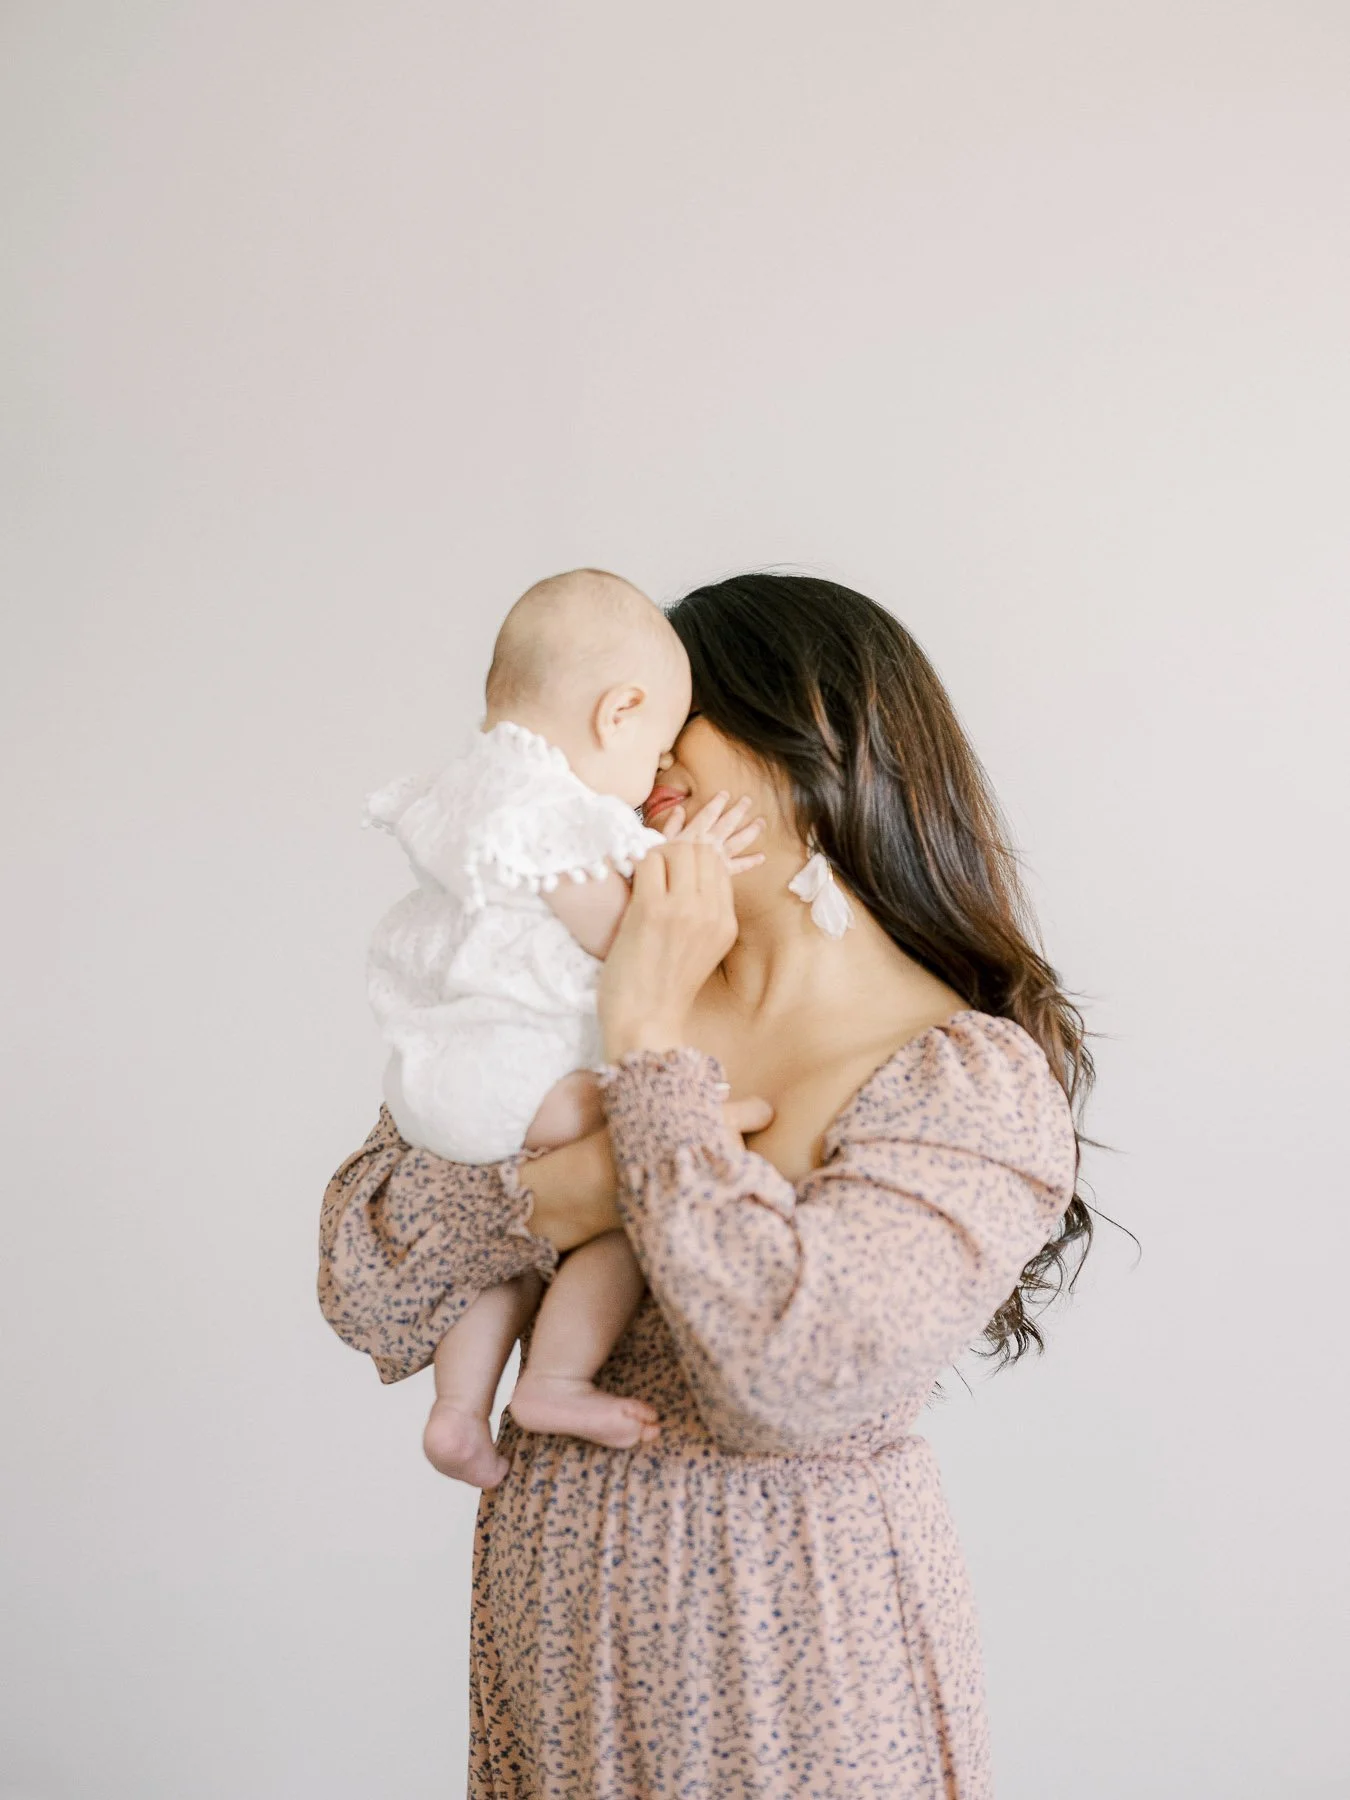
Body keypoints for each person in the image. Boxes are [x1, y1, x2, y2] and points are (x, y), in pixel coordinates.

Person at [319, 572, 1093, 1799]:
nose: (651, 744)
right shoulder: (553, 992)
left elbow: (794, 1372)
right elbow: (367, 1284)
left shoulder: (965, 1079)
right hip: (561, 1654)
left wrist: (652, 1049)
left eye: (700, 704)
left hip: (796, 1672)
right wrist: (567, 1180)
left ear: (821, 738)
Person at [362, 569, 764, 1487]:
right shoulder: (549, 814)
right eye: (659, 747)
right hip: (522, 1084)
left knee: (510, 1248)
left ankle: (458, 1409)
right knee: (639, 1185)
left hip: (443, 1083)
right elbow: (625, 937)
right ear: (619, 713)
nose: (658, 778)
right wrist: (686, 867)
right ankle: (554, 1376)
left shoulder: (470, 788)